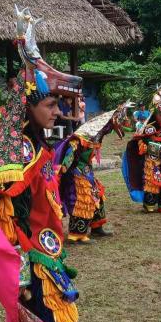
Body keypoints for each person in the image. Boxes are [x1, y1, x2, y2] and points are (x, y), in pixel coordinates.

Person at [0, 6, 81, 322]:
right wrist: (19, 275)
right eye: (51, 105)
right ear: (29, 106)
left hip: (47, 252)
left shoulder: (38, 146)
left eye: (58, 104)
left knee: (50, 320)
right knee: (44, 319)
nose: (57, 112)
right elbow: (5, 217)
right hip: (32, 257)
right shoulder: (18, 153)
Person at [56, 102, 133, 243]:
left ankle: (97, 227)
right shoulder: (82, 137)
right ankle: (77, 234)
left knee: (98, 195)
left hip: (87, 170)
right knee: (83, 200)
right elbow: (69, 155)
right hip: (77, 172)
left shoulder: (99, 133)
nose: (110, 130)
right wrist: (63, 170)